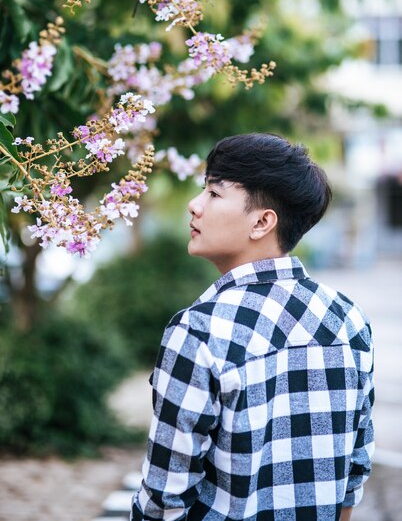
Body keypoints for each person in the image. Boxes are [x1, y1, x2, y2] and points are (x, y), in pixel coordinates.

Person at [131, 133, 374, 521]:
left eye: (214, 193)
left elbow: (164, 500)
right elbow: (352, 473)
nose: (195, 206)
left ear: (262, 221)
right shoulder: (347, 319)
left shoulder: (198, 331)